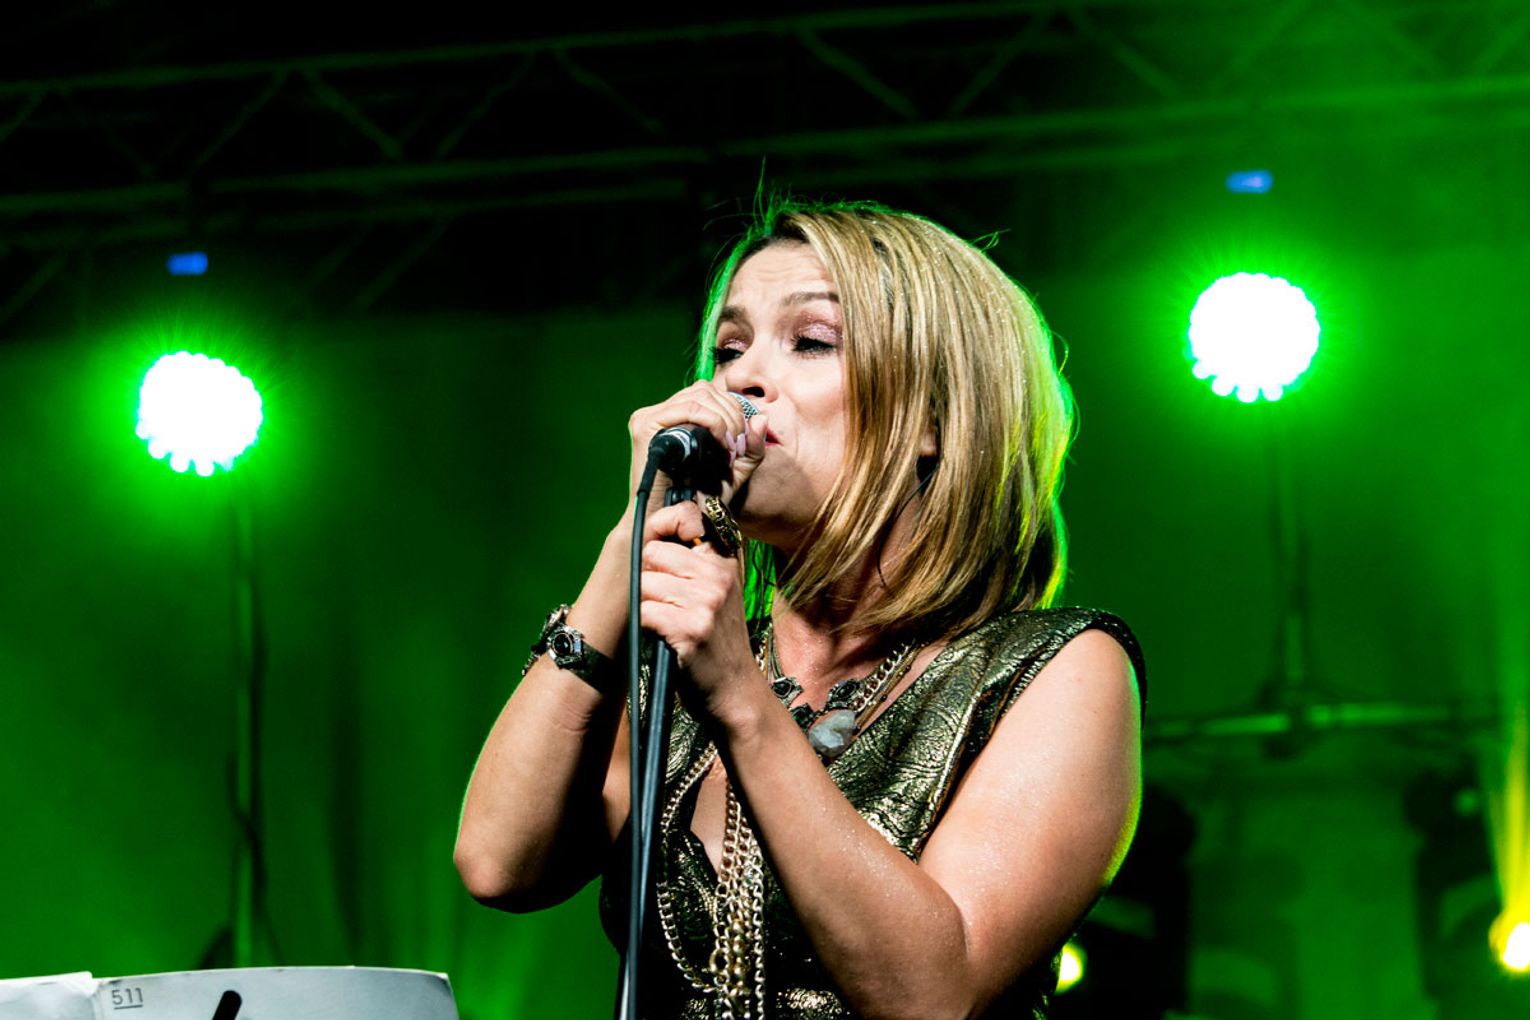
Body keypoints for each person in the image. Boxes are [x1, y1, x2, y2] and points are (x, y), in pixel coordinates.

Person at [454, 198, 1144, 1019]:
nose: (740, 380)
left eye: (811, 341)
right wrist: (630, 544)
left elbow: (933, 995)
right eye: (729, 349)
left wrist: (741, 701)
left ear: (934, 416)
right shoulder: (683, 666)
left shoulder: (1057, 670)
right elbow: (499, 863)